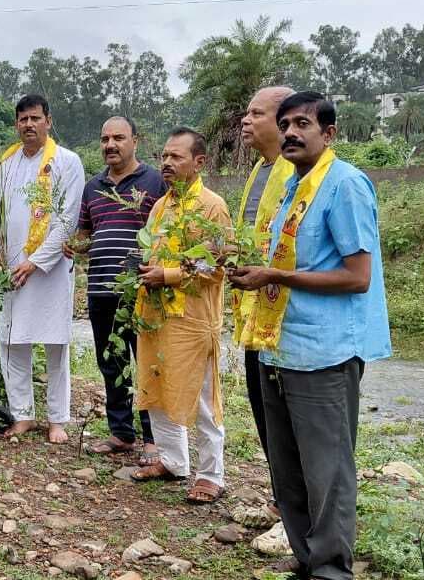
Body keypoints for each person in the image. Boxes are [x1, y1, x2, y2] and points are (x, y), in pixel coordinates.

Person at [230, 91, 391, 580]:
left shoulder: (344, 186)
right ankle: (308, 558)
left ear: (329, 133)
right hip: (281, 347)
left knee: (328, 472)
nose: (292, 133)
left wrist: (274, 278)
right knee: (288, 466)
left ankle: (331, 569)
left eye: (303, 123)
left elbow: (356, 276)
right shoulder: (293, 187)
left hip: (325, 353)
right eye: (285, 125)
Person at [129, 128, 231, 507]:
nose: (167, 164)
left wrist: (169, 275)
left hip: (192, 319)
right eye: (165, 157)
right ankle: (173, 461)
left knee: (202, 395)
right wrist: (145, 270)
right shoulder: (161, 206)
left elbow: (218, 265)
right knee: (157, 386)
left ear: (199, 162)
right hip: (156, 313)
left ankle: (210, 475)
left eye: (177, 157)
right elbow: (154, 250)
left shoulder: (212, 206)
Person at [0, 94, 85, 444]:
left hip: (51, 270)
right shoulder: (5, 164)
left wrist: (37, 261)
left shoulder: (67, 162)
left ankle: (57, 419)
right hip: (10, 268)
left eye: (35, 118)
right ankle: (22, 414)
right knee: (12, 341)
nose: (29, 124)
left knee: (55, 343)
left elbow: (68, 219)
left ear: (48, 121)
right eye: (23, 119)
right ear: (16, 124)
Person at [63, 116, 166, 463]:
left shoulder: (155, 180)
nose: (110, 145)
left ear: (135, 140)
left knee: (148, 362)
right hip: (100, 289)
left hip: (141, 290)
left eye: (118, 138)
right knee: (111, 361)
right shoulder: (93, 187)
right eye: (105, 138)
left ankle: (154, 438)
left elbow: (168, 232)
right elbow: (86, 234)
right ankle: (121, 433)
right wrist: (74, 245)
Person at [232, 87, 296, 504]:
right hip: (255, 310)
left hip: (286, 313)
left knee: (289, 412)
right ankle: (283, 496)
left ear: (283, 121)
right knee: (262, 405)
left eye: (256, 113)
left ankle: (296, 500)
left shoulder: (297, 173)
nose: (245, 120)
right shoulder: (259, 169)